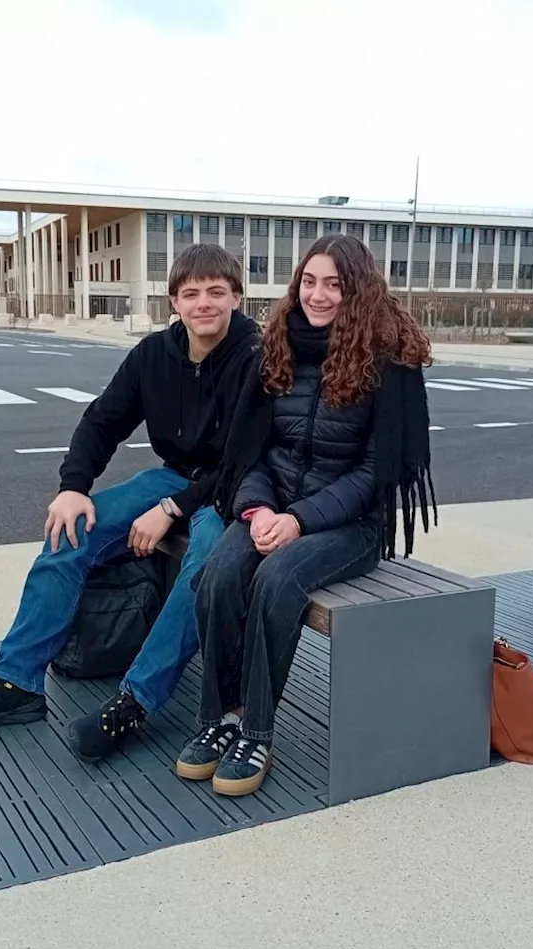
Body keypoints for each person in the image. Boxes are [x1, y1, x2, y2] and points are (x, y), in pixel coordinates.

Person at [0, 244, 260, 761]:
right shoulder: (154, 355)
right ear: (173, 301)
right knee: (71, 531)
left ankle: (134, 700)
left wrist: (172, 509)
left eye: (216, 292)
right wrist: (73, 487)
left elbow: (243, 458)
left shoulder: (256, 357)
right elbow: (103, 420)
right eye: (190, 293)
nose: (204, 304)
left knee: (205, 565)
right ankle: (15, 682)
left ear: (237, 297)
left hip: (232, 491)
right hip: (172, 478)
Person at [176, 233, 435, 797]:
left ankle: (257, 731)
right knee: (218, 573)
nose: (318, 296)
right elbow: (255, 450)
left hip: (351, 525)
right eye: (309, 282)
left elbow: (376, 475)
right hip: (278, 508)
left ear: (357, 291)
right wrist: (260, 507)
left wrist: (299, 521)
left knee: (275, 578)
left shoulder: (388, 362)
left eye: (334, 285)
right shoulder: (279, 349)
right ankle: (219, 717)